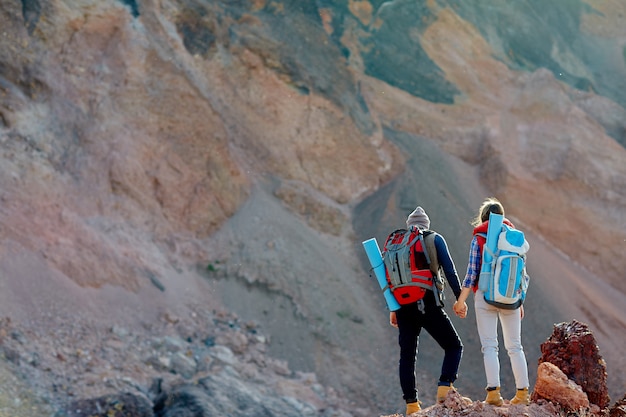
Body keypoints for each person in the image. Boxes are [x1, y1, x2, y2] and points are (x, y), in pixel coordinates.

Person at [453, 197, 530, 406]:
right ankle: (523, 394)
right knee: (515, 347)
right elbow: (520, 275)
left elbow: (471, 273)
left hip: (484, 297)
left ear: (483, 218)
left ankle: (494, 394)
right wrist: (519, 302)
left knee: (490, 346)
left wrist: (461, 301)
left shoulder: (479, 237)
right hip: (511, 299)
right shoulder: (515, 240)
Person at [388, 206, 465, 415]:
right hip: (427, 302)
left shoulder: (396, 244)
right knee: (453, 346)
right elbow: (449, 271)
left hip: (402, 306)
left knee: (407, 356)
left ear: (409, 226)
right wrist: (460, 299)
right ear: (426, 225)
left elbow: (388, 279)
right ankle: (444, 387)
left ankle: (412, 405)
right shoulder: (434, 239)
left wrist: (392, 308)